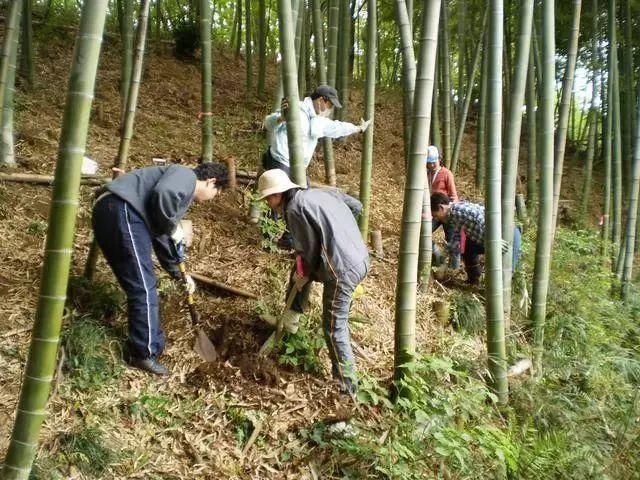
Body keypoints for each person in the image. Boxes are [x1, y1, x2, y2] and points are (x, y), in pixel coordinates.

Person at [92, 162, 229, 376]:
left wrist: (179, 275)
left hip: (117, 212)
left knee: (141, 285)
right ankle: (143, 353)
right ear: (211, 182)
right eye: (217, 192)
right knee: (144, 288)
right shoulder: (186, 177)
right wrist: (173, 226)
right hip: (123, 210)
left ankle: (150, 345)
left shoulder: (176, 193)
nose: (214, 197)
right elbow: (164, 195)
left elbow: (163, 237)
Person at [256, 169, 369, 394]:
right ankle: (291, 319)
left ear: (278, 194)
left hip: (341, 270)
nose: (269, 203)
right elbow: (356, 206)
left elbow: (308, 252)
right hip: (360, 258)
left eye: (268, 198)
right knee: (296, 269)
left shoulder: (295, 209)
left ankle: (347, 386)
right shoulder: (318, 194)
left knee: (333, 328)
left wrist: (304, 272)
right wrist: (339, 233)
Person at [262, 85, 372, 177]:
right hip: (279, 164)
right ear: (320, 100)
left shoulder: (318, 120)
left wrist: (358, 128)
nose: (330, 109)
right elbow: (268, 124)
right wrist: (281, 118)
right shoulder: (295, 108)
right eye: (330, 105)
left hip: (298, 169)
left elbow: (338, 127)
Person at [430, 192, 522, 285]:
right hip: (488, 240)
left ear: (441, 207)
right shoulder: (452, 217)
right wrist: (445, 255)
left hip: (506, 237)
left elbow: (480, 217)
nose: (436, 218)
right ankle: (474, 280)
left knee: (505, 275)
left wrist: (493, 239)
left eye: (435, 215)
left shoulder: (457, 210)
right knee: (466, 247)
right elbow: (456, 238)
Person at [425, 145, 460, 269]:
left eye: (434, 162)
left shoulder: (446, 174)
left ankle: (453, 269)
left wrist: (451, 212)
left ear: (439, 160)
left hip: (446, 212)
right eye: (429, 163)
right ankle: (437, 255)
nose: (432, 165)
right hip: (433, 211)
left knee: (453, 241)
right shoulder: (426, 174)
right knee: (423, 232)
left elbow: (454, 196)